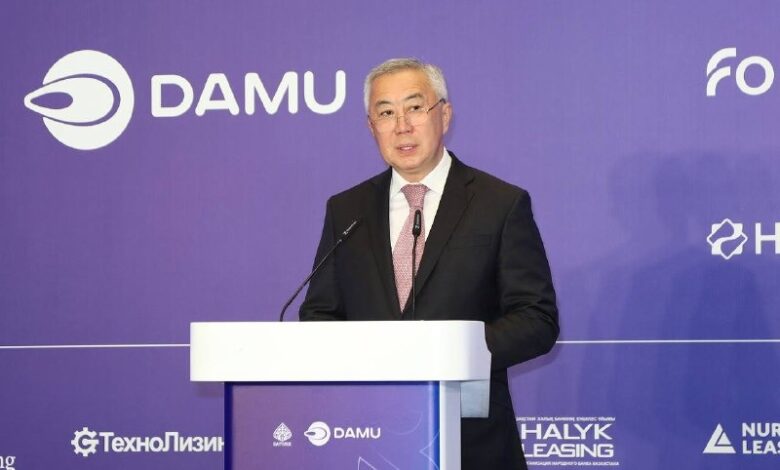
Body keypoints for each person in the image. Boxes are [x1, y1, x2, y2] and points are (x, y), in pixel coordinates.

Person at [299, 57, 559, 470]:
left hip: (472, 441)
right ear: (371, 126)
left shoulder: (500, 203)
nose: (401, 125)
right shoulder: (347, 209)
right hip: (367, 435)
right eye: (386, 113)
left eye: (415, 107)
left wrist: (449, 353)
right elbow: (319, 314)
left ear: (445, 115)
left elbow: (536, 319)